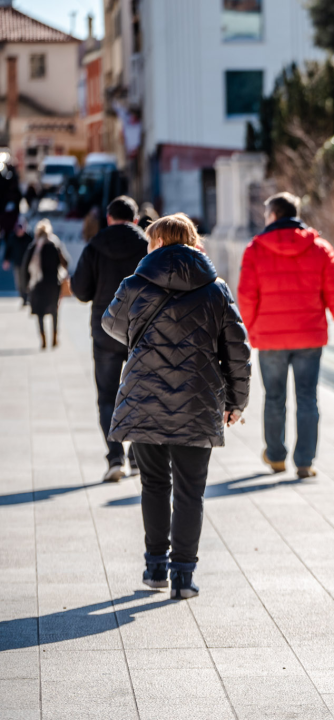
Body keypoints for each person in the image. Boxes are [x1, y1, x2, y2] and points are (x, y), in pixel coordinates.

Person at [102, 213, 251, 600]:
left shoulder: (135, 283)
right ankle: (183, 577)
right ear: (192, 240)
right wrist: (237, 401)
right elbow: (237, 351)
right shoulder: (216, 289)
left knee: (153, 483)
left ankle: (155, 568)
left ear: (156, 243)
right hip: (198, 400)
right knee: (190, 491)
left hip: (144, 396)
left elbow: (111, 324)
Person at [236, 191, 334, 478]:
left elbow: (246, 296)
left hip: (270, 338)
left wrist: (251, 331)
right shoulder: (320, 248)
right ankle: (305, 461)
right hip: (309, 337)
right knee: (307, 398)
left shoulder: (255, 249)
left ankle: (275, 456)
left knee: (274, 397)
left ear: (273, 215)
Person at [71, 196, 149, 482]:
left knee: (107, 396)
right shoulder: (146, 245)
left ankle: (115, 457)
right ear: (136, 219)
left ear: (108, 218)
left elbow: (80, 290)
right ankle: (138, 457)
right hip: (142, 330)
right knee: (141, 392)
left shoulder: (95, 246)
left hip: (105, 329)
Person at [22, 219, 70, 350]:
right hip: (53, 284)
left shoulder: (33, 247)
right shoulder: (55, 245)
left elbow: (25, 267)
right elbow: (66, 263)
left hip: (37, 284)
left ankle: (43, 340)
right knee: (54, 311)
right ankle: (54, 338)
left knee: (40, 313)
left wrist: (26, 284)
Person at [2, 219, 32, 304]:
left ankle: (27, 297)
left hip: (28, 264)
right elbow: (8, 250)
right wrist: (6, 260)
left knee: (26, 280)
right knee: (19, 282)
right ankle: (23, 298)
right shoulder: (12, 238)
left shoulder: (29, 237)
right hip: (17, 263)